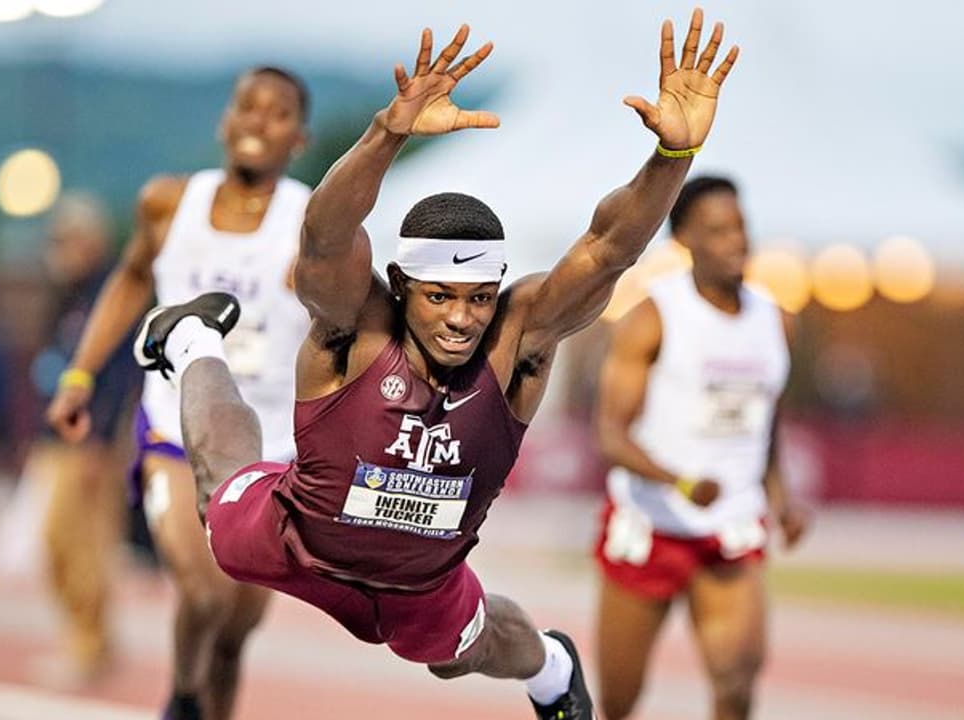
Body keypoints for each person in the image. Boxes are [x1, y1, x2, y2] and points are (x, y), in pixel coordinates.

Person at [128, 11, 738, 720]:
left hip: (420, 584)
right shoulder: (359, 327)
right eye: (439, 297)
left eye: (479, 298)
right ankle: (194, 339)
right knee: (219, 501)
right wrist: (387, 134)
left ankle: (551, 670)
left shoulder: (518, 341)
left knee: (457, 655)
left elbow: (608, 249)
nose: (461, 319)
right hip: (294, 539)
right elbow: (324, 238)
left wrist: (673, 156)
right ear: (401, 284)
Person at [46, 67, 313, 720]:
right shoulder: (168, 205)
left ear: (299, 138)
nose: (258, 120)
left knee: (236, 633)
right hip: (175, 428)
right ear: (225, 121)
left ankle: (206, 696)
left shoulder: (312, 222)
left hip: (271, 446)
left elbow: (346, 320)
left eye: (278, 112)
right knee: (204, 592)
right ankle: (184, 695)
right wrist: (80, 375)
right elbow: (131, 279)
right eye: (247, 105)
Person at [593, 175, 809, 720]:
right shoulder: (653, 316)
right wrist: (680, 482)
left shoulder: (777, 320)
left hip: (731, 524)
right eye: (717, 231)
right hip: (652, 523)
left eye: (740, 226)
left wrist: (781, 499)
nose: (736, 240)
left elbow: (768, 425)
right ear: (684, 240)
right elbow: (611, 435)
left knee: (737, 678)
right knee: (618, 701)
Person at [25, 194, 141, 687]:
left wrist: (103, 439)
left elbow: (122, 374)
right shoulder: (68, 294)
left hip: (92, 441)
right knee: (55, 542)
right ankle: (86, 636)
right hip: (56, 436)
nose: (59, 249)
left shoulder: (112, 295)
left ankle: (90, 645)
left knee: (85, 545)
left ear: (89, 241)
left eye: (66, 239)